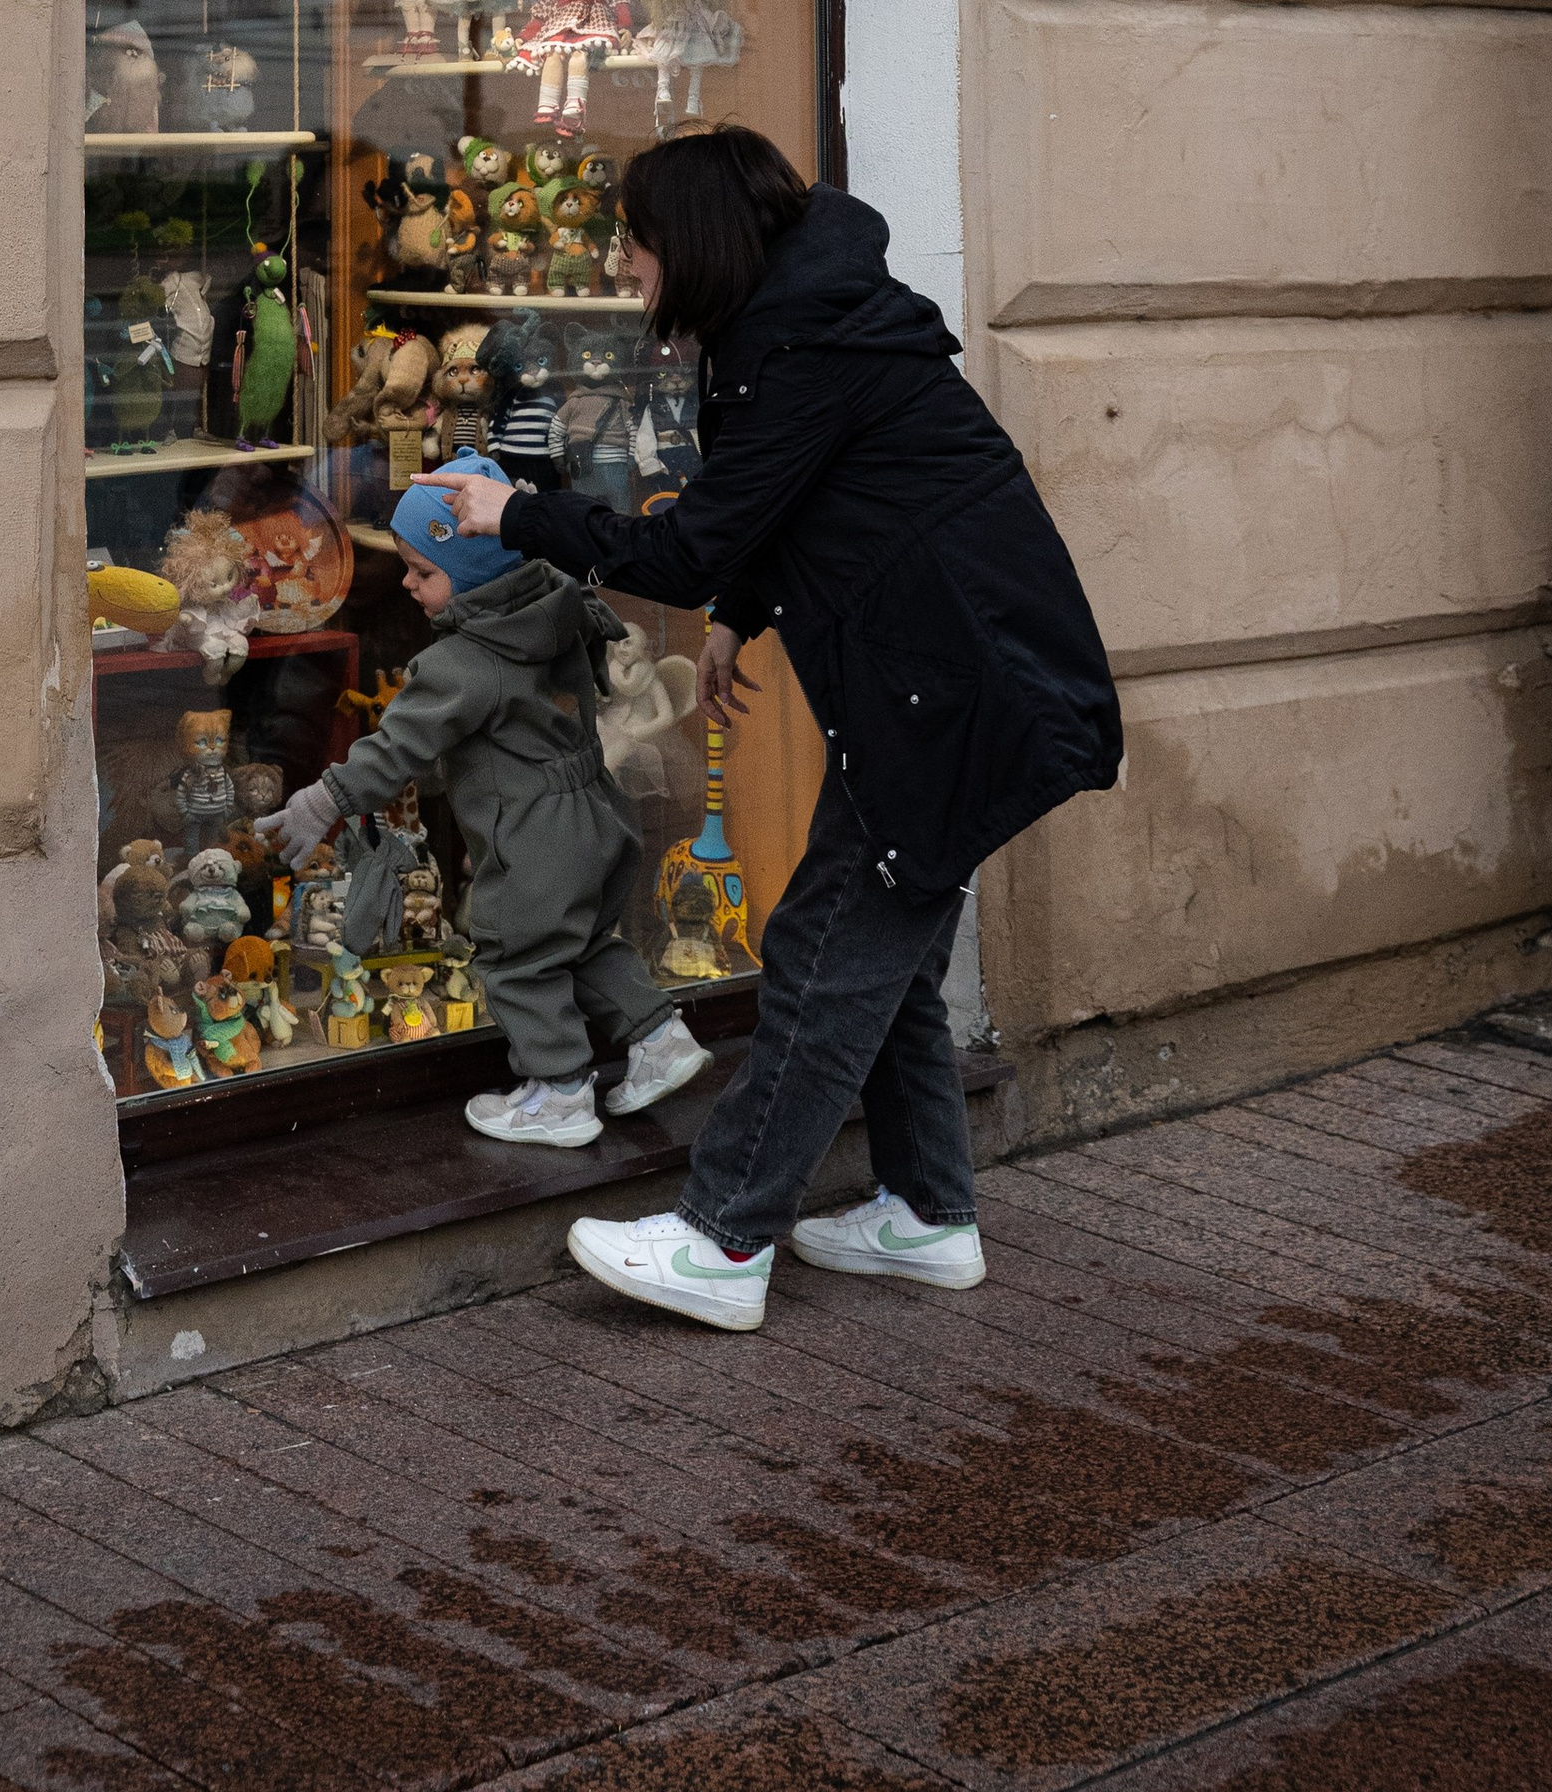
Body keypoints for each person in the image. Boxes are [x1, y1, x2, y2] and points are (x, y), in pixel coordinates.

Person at [421, 128, 1121, 1335]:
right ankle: (925, 1214)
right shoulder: (801, 320)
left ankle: (721, 1237)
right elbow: (800, 502)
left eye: (634, 241)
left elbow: (693, 542)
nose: (624, 264)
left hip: (957, 693)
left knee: (824, 943)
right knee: (877, 946)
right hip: (947, 680)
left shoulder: (798, 342)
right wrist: (743, 618)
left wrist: (518, 510)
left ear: (685, 243)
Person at [254, 455, 710, 1147]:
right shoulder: (556, 604)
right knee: (585, 940)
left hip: (535, 836)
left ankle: (558, 1094)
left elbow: (398, 746)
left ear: (470, 577)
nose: (407, 583)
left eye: (423, 571)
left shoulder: (464, 664)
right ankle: (661, 1039)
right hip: (597, 811)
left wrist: (324, 801)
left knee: (515, 956)